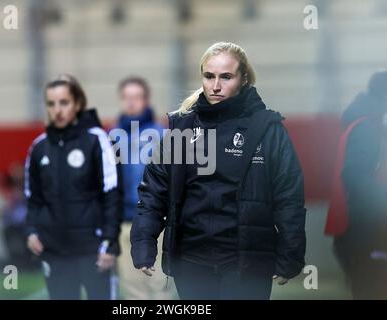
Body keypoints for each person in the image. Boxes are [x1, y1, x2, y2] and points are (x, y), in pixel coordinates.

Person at [130, 42, 306, 300]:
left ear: (243, 78)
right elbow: (153, 192)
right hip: (190, 263)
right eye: (209, 76)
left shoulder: (268, 129)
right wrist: (144, 242)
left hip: (247, 266)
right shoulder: (181, 129)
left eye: (226, 77)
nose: (215, 85)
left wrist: (290, 254)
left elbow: (289, 197)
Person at [25, 74, 122, 300]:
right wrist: (31, 232)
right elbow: (33, 198)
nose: (57, 110)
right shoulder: (39, 148)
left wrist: (109, 242)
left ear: (77, 104)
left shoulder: (97, 140)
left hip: (93, 250)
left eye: (64, 102)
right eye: (51, 104)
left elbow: (112, 194)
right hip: (54, 251)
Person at [114, 77, 175, 299]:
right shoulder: (113, 137)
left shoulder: (162, 135)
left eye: (136, 97)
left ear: (146, 100)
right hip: (125, 221)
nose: (131, 103)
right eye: (126, 98)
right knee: (132, 290)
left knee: (160, 286)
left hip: (157, 221)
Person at [328, 70, 387, 299]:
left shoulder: (367, 124)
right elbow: (355, 177)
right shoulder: (367, 128)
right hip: (368, 236)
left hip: (364, 235)